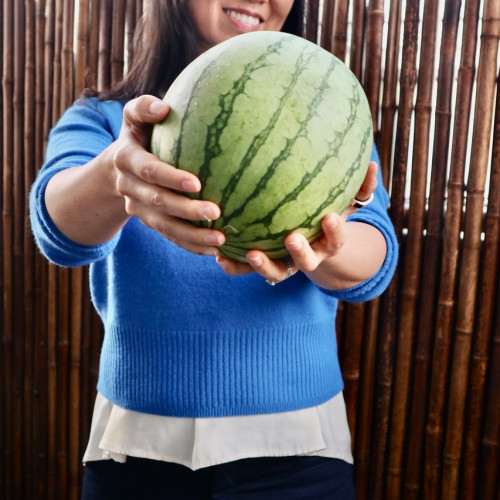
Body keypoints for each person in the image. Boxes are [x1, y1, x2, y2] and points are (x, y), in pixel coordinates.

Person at [29, 0, 398, 498]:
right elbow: (59, 230)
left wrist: (329, 246)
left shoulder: (327, 113)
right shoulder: (107, 118)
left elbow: (375, 254)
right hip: (138, 446)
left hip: (298, 448)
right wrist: (120, 169)